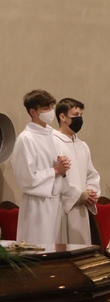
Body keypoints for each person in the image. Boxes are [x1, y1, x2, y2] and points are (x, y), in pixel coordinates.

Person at [11, 90, 70, 244]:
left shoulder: (52, 136)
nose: (51, 111)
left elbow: (58, 169)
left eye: (51, 107)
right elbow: (26, 179)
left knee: (57, 253)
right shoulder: (26, 139)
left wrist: (63, 170)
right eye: (45, 108)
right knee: (39, 250)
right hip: (37, 206)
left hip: (55, 203)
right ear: (33, 112)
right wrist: (55, 170)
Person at [51, 98, 100, 245]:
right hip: (63, 209)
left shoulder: (82, 145)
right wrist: (78, 195)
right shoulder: (53, 142)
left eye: (81, 115)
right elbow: (55, 176)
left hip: (81, 210)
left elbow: (91, 174)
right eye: (75, 114)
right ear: (62, 117)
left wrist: (91, 192)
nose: (79, 119)